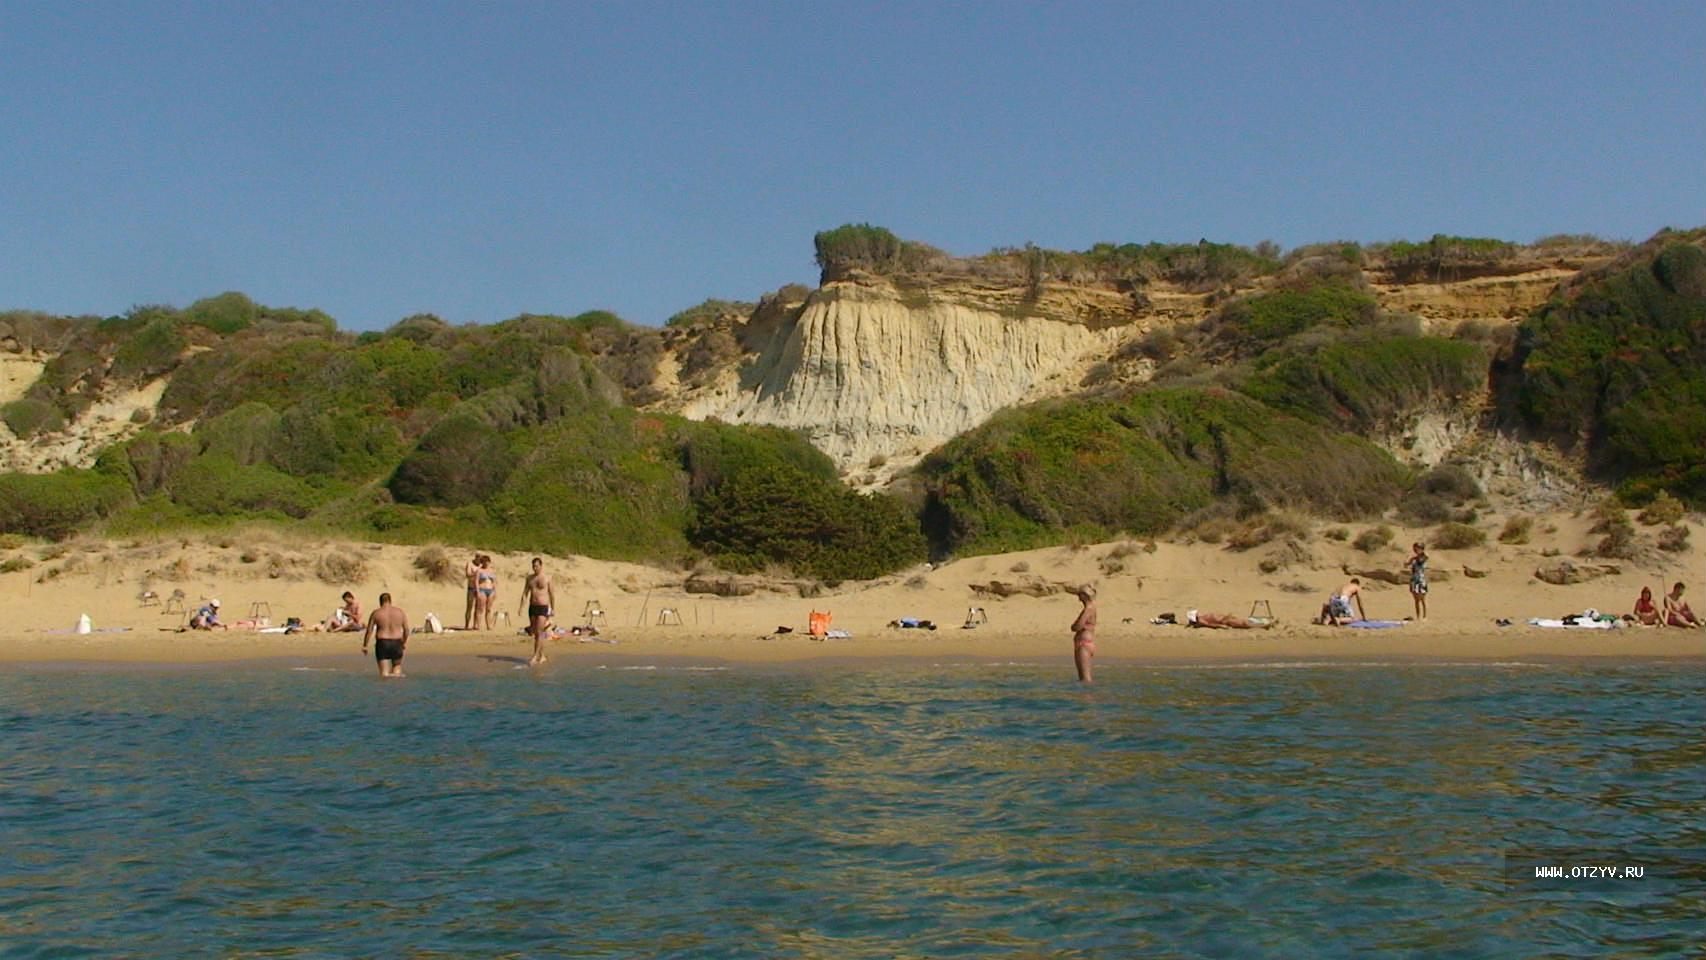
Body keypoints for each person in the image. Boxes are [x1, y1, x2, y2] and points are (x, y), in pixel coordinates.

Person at [517, 557, 556, 666]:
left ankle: (534, 656)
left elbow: (552, 594)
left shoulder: (547, 578)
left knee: (539, 632)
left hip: (543, 607)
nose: (535, 568)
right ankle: (542, 656)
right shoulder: (530, 578)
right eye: (533, 566)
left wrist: (552, 609)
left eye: (537, 566)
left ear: (541, 566)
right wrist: (521, 607)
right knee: (536, 634)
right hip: (532, 607)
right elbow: (525, 593)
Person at [362, 592, 410, 678]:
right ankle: (395, 688)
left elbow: (369, 630)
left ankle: (385, 689)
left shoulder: (376, 613)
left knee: (384, 673)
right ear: (390, 601)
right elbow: (406, 630)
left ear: (380, 602)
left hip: (382, 642)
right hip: (397, 641)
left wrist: (365, 645)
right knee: (397, 667)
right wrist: (403, 642)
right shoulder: (400, 612)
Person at [1071, 584, 1097, 683]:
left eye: (1080, 595)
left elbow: (1078, 626)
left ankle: (1086, 697)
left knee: (1085, 679)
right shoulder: (1091, 608)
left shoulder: (1088, 609)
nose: (1078, 597)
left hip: (1084, 644)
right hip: (1084, 643)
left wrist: (1073, 626)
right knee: (1083, 678)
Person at [1407, 542, 1429, 621]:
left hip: (1420, 579)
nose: (1417, 550)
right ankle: (1418, 617)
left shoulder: (1424, 557)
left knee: (1422, 599)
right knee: (1416, 600)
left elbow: (1422, 560)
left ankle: (1424, 616)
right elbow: (1407, 564)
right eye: (1416, 548)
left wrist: (1414, 558)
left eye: (1418, 548)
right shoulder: (1414, 558)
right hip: (1414, 579)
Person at [474, 555, 497, 631]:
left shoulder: (491, 571)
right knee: (480, 608)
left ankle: (489, 625)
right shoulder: (479, 570)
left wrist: (495, 591)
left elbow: (494, 582)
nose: (486, 563)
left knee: (489, 609)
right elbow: (476, 581)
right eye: (485, 562)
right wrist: (477, 591)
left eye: (487, 562)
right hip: (482, 589)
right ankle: (478, 625)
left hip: (490, 590)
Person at [1187, 610, 1269, 629]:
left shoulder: (1202, 617)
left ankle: (1265, 621)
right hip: (1225, 621)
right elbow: (1211, 625)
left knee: (1244, 620)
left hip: (1225, 618)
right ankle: (1264, 624)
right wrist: (1221, 626)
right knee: (1244, 623)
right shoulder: (1201, 620)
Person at [464, 553, 481, 630]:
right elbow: (468, 574)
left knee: (478, 607)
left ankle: (475, 624)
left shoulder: (481, 565)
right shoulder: (470, 564)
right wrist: (476, 573)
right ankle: (467, 624)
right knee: (469, 607)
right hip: (471, 587)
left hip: (480, 588)